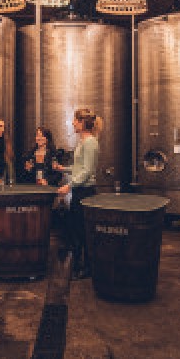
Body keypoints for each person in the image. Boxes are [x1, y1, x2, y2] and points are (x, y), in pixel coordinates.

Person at [55, 107, 101, 279]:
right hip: (80, 190)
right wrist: (63, 169)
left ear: (82, 123)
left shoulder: (90, 142)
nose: (73, 123)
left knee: (83, 231)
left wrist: (69, 186)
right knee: (77, 229)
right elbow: (79, 167)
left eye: (75, 120)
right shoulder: (83, 142)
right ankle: (80, 266)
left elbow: (87, 171)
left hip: (85, 192)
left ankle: (86, 268)